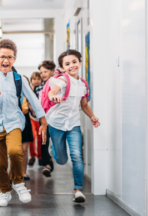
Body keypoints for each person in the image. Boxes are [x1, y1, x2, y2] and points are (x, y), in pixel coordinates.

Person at [0, 39, 47, 207]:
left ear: (14, 59)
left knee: (16, 152)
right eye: (2, 57)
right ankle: (4, 191)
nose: (6, 61)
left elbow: (33, 100)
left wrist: (43, 121)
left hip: (13, 123)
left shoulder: (19, 79)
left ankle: (18, 183)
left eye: (9, 57)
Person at [46, 50, 100, 203]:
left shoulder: (83, 84)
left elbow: (83, 105)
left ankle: (78, 190)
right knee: (62, 160)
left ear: (80, 63)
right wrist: (54, 96)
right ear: (63, 68)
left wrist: (93, 116)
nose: (72, 66)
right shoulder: (63, 80)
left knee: (77, 156)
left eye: (74, 62)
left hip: (74, 124)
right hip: (56, 123)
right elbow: (52, 92)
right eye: (67, 64)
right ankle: (54, 149)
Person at [38, 60, 57, 177]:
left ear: (52, 71)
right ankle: (48, 165)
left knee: (54, 144)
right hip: (45, 119)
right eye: (41, 72)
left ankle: (51, 162)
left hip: (55, 119)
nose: (43, 74)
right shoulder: (42, 86)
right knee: (43, 141)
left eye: (45, 71)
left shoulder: (57, 83)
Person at [28, 72, 43, 167]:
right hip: (32, 117)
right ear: (31, 81)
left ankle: (40, 156)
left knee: (40, 137)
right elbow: (28, 100)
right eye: (34, 79)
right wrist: (32, 109)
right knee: (32, 137)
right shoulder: (29, 90)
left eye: (38, 79)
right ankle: (32, 156)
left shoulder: (42, 90)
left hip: (41, 118)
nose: (36, 81)